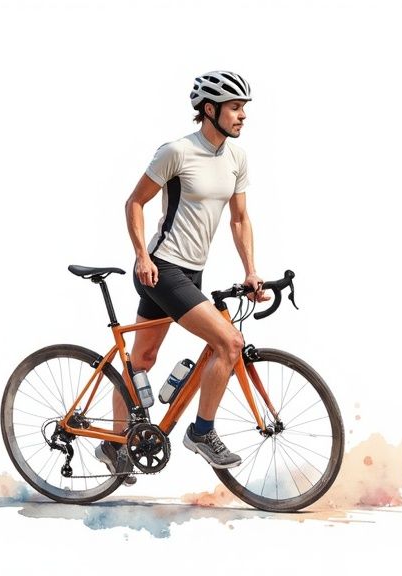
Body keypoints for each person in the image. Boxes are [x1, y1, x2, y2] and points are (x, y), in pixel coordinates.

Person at [96, 70, 269, 480]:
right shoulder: (175, 152)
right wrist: (142, 256)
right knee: (229, 341)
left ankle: (113, 445)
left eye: (244, 108)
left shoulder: (236, 158)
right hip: (162, 268)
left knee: (143, 358)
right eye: (235, 107)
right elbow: (135, 202)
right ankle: (201, 432)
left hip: (192, 274)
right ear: (209, 110)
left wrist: (251, 271)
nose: (242, 115)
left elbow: (239, 219)